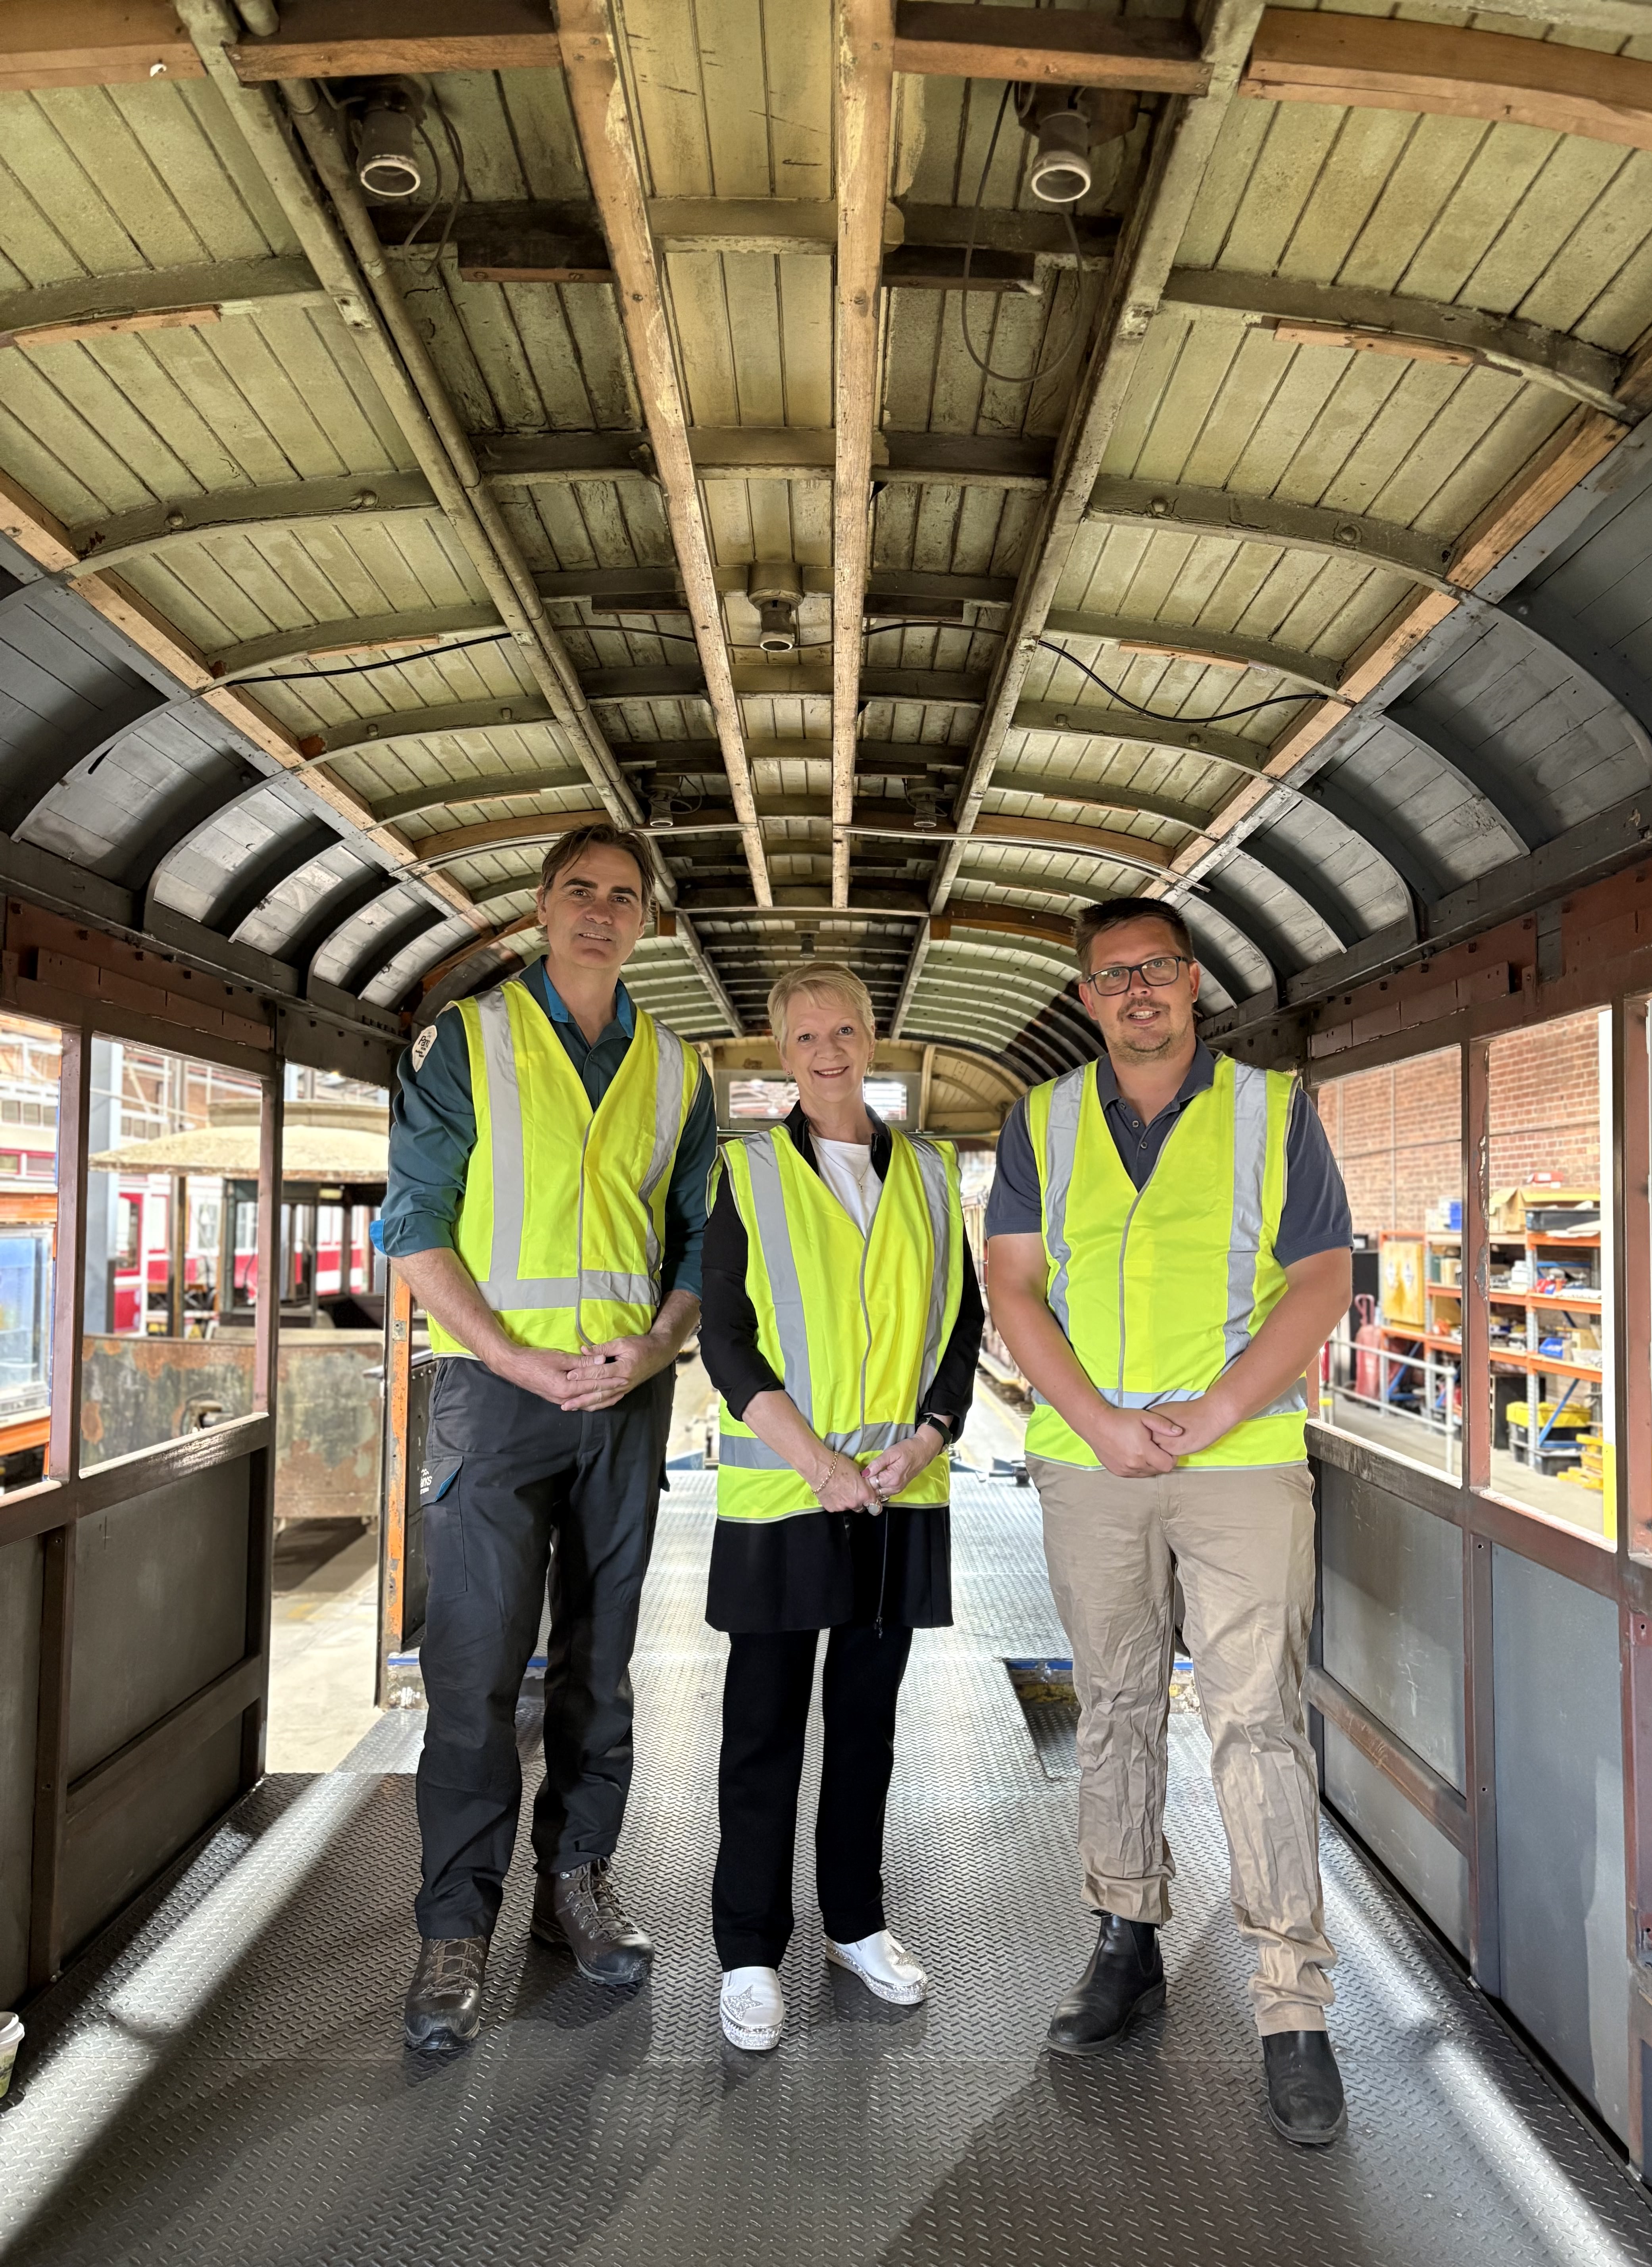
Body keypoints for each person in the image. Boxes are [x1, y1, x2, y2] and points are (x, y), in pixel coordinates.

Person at [985, 897, 1353, 2146]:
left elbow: (1323, 1279)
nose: (1134, 990)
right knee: (1114, 1703)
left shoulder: (1270, 1109)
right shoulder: (1040, 1120)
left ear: (1192, 981)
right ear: (1085, 997)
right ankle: (1123, 1937)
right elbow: (1014, 1284)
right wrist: (1093, 1420)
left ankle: (1291, 2005)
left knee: (1256, 1719)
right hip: (1089, 1462)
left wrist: (1217, 1409)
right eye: (1110, 975)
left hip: (1239, 1458)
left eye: (1154, 969)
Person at [380, 822, 717, 2049]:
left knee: (600, 1659)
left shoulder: (677, 1071)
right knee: (474, 1667)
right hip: (495, 1392)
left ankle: (576, 1880)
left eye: (624, 896)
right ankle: (453, 1927)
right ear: (540, 907)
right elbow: (415, 1227)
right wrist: (516, 1356)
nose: (600, 911)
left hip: (624, 1400)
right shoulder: (466, 1041)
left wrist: (661, 1345)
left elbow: (698, 1242)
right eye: (580, 890)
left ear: (647, 923)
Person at [699, 965, 983, 2051]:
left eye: (845, 1031)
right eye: (807, 1036)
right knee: (763, 1730)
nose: (828, 1051)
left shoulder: (930, 1174)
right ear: (783, 1053)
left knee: (867, 1728)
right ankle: (748, 1952)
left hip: (898, 1491)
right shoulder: (747, 1171)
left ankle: (856, 1925)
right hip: (787, 1491)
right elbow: (726, 1338)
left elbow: (958, 1323)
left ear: (873, 1040)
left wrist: (930, 1435)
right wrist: (820, 1463)